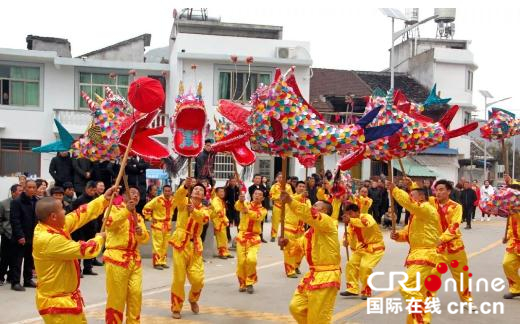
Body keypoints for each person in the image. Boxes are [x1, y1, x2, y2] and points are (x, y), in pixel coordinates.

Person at [32, 186, 115, 323]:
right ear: (53, 216)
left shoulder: (51, 226)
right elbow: (87, 250)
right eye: (62, 209)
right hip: (58, 305)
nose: (65, 212)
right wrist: (100, 238)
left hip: (64, 301)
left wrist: (103, 199)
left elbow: (79, 214)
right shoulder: (49, 239)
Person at [279, 191, 341, 324]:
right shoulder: (309, 232)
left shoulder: (329, 223)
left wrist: (291, 201)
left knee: (318, 317)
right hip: (313, 274)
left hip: (327, 274)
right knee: (296, 307)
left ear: (324, 210)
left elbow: (309, 215)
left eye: (315, 206)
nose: (312, 207)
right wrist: (287, 243)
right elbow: (298, 247)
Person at [388, 180, 442, 324]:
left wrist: (395, 191)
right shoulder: (416, 215)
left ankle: (421, 320)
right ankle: (419, 321)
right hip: (419, 254)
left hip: (425, 254)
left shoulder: (427, 209)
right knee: (419, 292)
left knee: (408, 287)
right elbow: (407, 233)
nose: (410, 198)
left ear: (422, 197)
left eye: (412, 195)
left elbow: (409, 204)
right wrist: (398, 236)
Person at [104, 186, 150, 324]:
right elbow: (109, 224)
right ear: (123, 196)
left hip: (134, 259)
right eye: (132, 193)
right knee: (117, 298)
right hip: (116, 257)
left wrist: (141, 233)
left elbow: (145, 239)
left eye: (137, 194)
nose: (136, 196)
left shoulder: (139, 217)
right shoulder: (113, 208)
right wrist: (126, 211)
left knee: (136, 295)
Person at [170, 178, 210, 319]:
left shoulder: (205, 210)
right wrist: (184, 186)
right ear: (191, 193)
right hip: (181, 243)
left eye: (201, 190)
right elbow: (178, 196)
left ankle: (193, 299)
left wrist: (194, 211)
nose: (198, 191)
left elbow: (204, 220)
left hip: (195, 246)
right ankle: (176, 307)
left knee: (198, 280)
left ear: (204, 196)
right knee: (179, 279)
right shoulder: (183, 203)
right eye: (195, 189)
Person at [430, 179, 475, 306]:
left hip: (455, 248)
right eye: (436, 190)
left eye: (441, 190)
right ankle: (429, 299)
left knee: (462, 276)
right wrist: (410, 185)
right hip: (438, 249)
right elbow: (416, 198)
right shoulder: (432, 203)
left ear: (448, 191)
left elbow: (454, 227)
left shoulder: (456, 207)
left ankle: (467, 300)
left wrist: (441, 239)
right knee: (433, 274)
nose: (437, 193)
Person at [340, 204, 385, 300]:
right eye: (347, 214)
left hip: (375, 247)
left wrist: (350, 220)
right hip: (361, 247)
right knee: (351, 264)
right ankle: (352, 288)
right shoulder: (351, 223)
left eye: (350, 213)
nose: (349, 216)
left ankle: (366, 290)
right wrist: (345, 240)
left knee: (365, 267)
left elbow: (366, 224)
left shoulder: (367, 217)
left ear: (357, 212)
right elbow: (348, 233)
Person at [234, 189, 267, 293]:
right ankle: (242, 283)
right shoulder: (245, 204)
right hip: (242, 236)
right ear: (252, 195)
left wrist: (247, 210)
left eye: (260, 194)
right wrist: (240, 200)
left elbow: (258, 217)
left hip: (254, 237)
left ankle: (250, 282)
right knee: (241, 262)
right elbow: (237, 207)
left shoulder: (263, 210)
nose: (257, 196)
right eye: (255, 194)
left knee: (251, 260)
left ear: (263, 198)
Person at [9, 180, 38, 291]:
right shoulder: (17, 202)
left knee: (29, 259)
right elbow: (15, 220)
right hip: (19, 237)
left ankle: (27, 279)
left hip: (33, 235)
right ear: (24, 188)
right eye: (29, 187)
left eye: (33, 187)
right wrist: (20, 236)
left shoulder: (36, 201)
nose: (31, 189)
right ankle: (15, 282)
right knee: (17, 260)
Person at [143, 185, 176, 270]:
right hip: (158, 225)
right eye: (166, 191)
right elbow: (146, 208)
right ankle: (157, 263)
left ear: (171, 191)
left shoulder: (173, 200)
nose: (167, 193)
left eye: (169, 191)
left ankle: (162, 262)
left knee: (165, 245)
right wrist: (150, 218)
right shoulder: (157, 199)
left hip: (167, 226)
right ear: (163, 191)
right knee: (157, 245)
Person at [71, 181, 100, 275]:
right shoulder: (79, 200)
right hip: (81, 228)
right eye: (91, 190)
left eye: (94, 190)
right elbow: (74, 214)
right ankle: (77, 269)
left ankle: (88, 268)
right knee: (80, 248)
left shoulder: (95, 199)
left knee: (90, 248)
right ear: (86, 189)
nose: (92, 192)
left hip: (92, 226)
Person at [283, 181, 311, 278]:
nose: (302, 188)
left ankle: (296, 265)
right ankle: (290, 270)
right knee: (290, 249)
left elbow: (309, 212)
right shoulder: (289, 197)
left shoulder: (307, 201)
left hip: (301, 229)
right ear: (296, 188)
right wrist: (300, 197)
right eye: (300, 186)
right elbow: (290, 200)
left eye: (303, 186)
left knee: (301, 249)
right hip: (289, 227)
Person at [0, 184, 22, 285]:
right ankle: (1, 277)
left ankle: (11, 276)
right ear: (13, 192)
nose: (22, 192)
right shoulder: (3, 204)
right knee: (4, 257)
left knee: (16, 258)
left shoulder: (23, 203)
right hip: (7, 234)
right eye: (19, 191)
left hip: (18, 235)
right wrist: (3, 231)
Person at [502, 175, 520, 299]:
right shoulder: (510, 209)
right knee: (507, 264)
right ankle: (516, 288)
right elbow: (511, 226)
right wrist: (507, 236)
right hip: (515, 243)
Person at [269, 172, 293, 242]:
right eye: (279, 177)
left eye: (282, 177)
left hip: (286, 206)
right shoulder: (274, 186)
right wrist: (278, 197)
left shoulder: (288, 186)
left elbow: (291, 195)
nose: (281, 178)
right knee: (275, 221)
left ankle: (285, 235)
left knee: (286, 220)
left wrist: (287, 197)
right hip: (277, 205)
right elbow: (270, 196)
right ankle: (273, 235)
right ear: (277, 178)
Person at [211, 187, 232, 259]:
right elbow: (219, 211)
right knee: (221, 238)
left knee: (224, 238)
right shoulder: (216, 200)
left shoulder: (220, 200)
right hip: (218, 222)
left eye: (223, 192)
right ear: (216, 193)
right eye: (220, 192)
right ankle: (222, 253)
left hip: (222, 221)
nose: (222, 193)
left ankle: (226, 252)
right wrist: (225, 219)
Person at [248, 174, 268, 243]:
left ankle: (260, 236)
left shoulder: (263, 187)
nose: (258, 180)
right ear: (253, 179)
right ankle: (252, 235)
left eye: (259, 178)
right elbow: (251, 197)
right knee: (253, 221)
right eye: (256, 178)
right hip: (253, 207)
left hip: (261, 206)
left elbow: (266, 195)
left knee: (261, 222)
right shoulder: (251, 187)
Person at [225, 176, 240, 242]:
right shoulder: (226, 189)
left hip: (236, 208)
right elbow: (224, 198)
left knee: (238, 221)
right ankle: (228, 237)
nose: (233, 182)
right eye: (232, 181)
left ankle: (240, 236)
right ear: (229, 181)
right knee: (227, 222)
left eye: (234, 181)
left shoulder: (238, 188)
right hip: (229, 208)